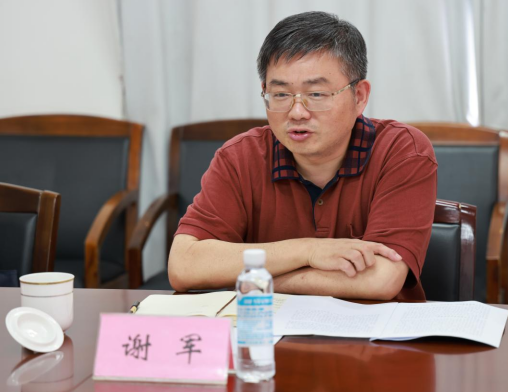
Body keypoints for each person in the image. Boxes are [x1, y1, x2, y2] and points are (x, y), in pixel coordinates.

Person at [169, 11, 437, 301]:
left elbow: (380, 280)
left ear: (359, 96)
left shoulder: (402, 150)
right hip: (270, 327)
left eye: (317, 94)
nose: (297, 112)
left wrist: (256, 279)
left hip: (375, 329)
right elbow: (184, 266)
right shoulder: (240, 156)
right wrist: (309, 250)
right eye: (281, 94)